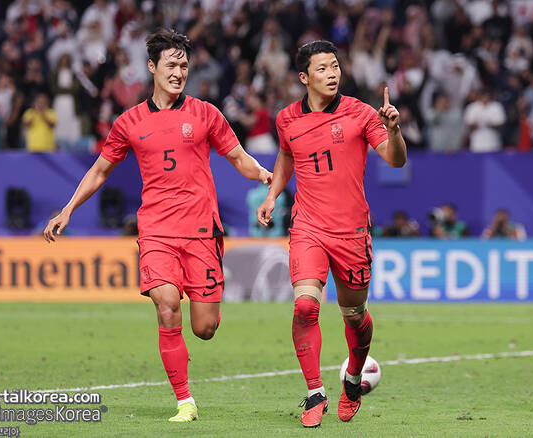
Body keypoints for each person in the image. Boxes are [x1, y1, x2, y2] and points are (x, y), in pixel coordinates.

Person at [42, 29, 272, 424]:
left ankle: (202, 325)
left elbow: (238, 157)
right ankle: (185, 401)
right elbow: (100, 171)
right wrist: (68, 209)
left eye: (184, 65)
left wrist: (264, 174)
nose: (179, 72)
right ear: (152, 67)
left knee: (205, 328)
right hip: (156, 232)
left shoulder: (205, 113)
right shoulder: (129, 122)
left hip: (201, 232)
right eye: (171, 64)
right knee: (167, 306)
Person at [256, 41, 406, 427]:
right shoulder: (286, 119)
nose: (332, 74)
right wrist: (273, 195)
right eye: (322, 68)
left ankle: (353, 379)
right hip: (308, 227)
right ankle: (315, 392)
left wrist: (394, 131)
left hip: (352, 232)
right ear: (304, 77)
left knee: (354, 316)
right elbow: (286, 155)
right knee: (305, 307)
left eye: (335, 66)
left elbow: (395, 158)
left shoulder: (360, 113)